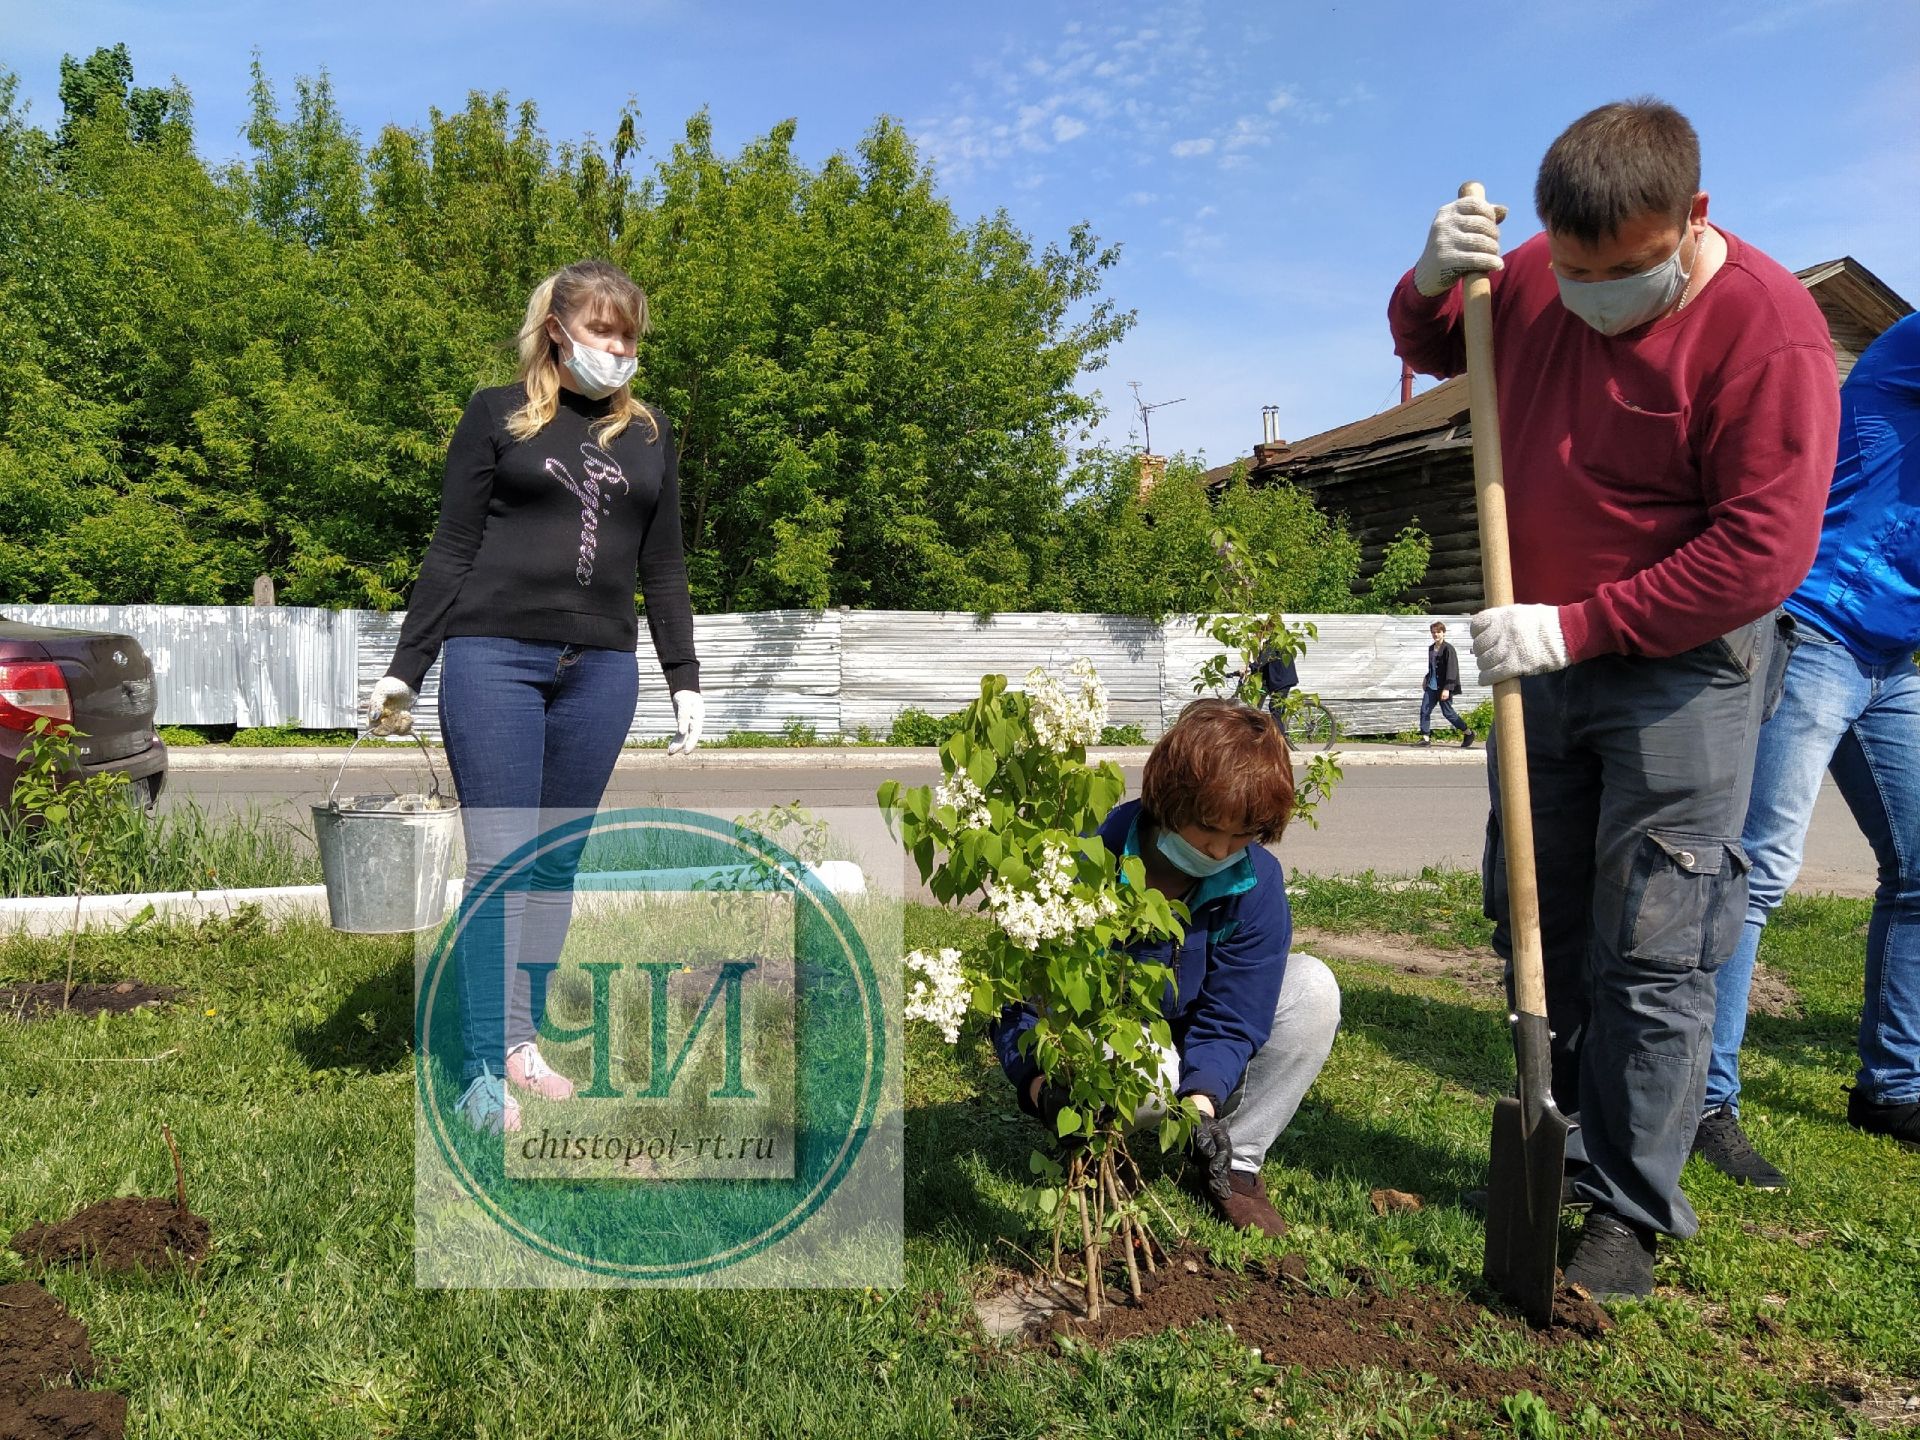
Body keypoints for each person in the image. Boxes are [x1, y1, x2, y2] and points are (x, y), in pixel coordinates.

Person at [1390, 98, 1839, 1298]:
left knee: (1659, 937)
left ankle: (1628, 1212)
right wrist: (1433, 282)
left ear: (1693, 219)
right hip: (1535, 662)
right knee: (1541, 916)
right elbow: (1441, 344)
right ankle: (1572, 1139)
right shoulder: (1536, 271)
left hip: (1683, 668)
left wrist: (1576, 625)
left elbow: (1763, 550)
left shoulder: (1772, 331)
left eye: (1620, 273)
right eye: (1570, 267)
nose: (1585, 294)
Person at [365, 259, 705, 1136]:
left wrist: (684, 677)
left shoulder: (650, 434)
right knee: (501, 866)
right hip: (492, 659)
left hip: (600, 672)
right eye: (604, 332)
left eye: (630, 336)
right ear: (557, 329)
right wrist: (409, 663)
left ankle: (520, 1038)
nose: (620, 350)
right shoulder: (495, 415)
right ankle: (480, 1069)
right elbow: (451, 547)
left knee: (556, 864)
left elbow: (663, 568)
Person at [1694, 311, 1920, 1188]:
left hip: (1893, 655)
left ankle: (1893, 1087)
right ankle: (1706, 1101)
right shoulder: (1910, 344)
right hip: (1815, 625)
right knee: (1753, 871)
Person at [987, 699, 1343, 1237]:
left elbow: (1233, 1014)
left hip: (1190, 1040)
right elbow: (1015, 996)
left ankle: (1232, 1163)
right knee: (1147, 1071)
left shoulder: (1255, 883)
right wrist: (1039, 1086)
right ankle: (1097, 1143)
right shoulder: (1087, 859)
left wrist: (1201, 1107)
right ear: (1168, 800)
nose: (1221, 849)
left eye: (1243, 834)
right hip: (1115, 1048)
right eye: (1207, 827)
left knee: (1313, 989)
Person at [1419, 621, 1474, 748]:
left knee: (1448, 713)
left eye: (1438, 632)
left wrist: (1447, 688)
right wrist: (1426, 678)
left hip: (1444, 687)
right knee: (1424, 710)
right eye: (1433, 632)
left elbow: (1452, 669)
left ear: (1443, 633)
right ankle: (1425, 738)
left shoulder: (1448, 649)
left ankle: (1468, 732)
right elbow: (1433, 667)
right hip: (1431, 686)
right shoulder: (1431, 648)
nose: (1435, 634)